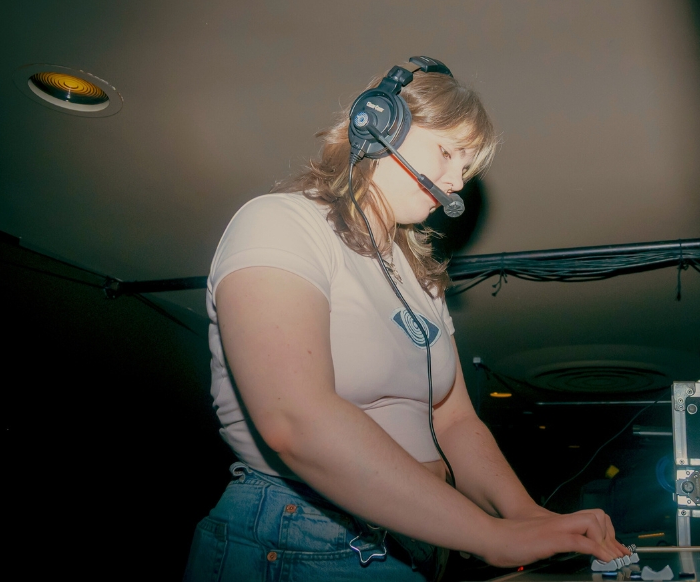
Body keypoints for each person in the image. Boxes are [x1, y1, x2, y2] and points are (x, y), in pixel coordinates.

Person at [184, 59, 629, 581]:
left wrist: (526, 516)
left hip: (421, 537)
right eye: (448, 153)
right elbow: (294, 420)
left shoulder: (421, 280)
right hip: (303, 532)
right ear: (379, 123)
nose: (456, 182)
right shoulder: (279, 221)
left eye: (467, 168)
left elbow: (456, 421)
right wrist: (489, 535)